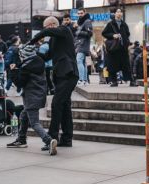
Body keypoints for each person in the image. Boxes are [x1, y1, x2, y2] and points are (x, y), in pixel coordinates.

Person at [28, 16, 79, 149]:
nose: (45, 30)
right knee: (65, 106)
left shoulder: (64, 30)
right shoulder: (54, 40)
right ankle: (67, 139)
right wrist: (33, 54)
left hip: (69, 74)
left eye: (46, 27)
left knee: (56, 104)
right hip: (60, 76)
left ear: (51, 25)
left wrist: (32, 41)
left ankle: (51, 138)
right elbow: (47, 56)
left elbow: (45, 33)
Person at [6, 45, 57, 156]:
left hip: (31, 97)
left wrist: (12, 72)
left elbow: (20, 83)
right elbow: (26, 69)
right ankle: (21, 139)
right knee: (24, 116)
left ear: (24, 55)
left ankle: (48, 141)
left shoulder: (26, 68)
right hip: (39, 96)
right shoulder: (39, 62)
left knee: (34, 123)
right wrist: (18, 67)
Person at [102, 7, 136, 87]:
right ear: (114, 14)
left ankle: (131, 81)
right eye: (117, 12)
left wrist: (127, 42)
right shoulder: (110, 24)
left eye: (120, 12)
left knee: (126, 65)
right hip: (114, 49)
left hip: (123, 49)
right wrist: (113, 35)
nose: (119, 13)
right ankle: (114, 81)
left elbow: (128, 34)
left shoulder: (124, 24)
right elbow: (104, 33)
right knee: (112, 65)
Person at [75, 8, 93, 85]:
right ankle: (85, 80)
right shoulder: (80, 22)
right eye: (78, 13)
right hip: (80, 44)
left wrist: (78, 31)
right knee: (83, 62)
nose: (80, 15)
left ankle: (81, 79)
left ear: (85, 13)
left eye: (81, 13)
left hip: (83, 44)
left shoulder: (87, 21)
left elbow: (90, 33)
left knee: (79, 60)